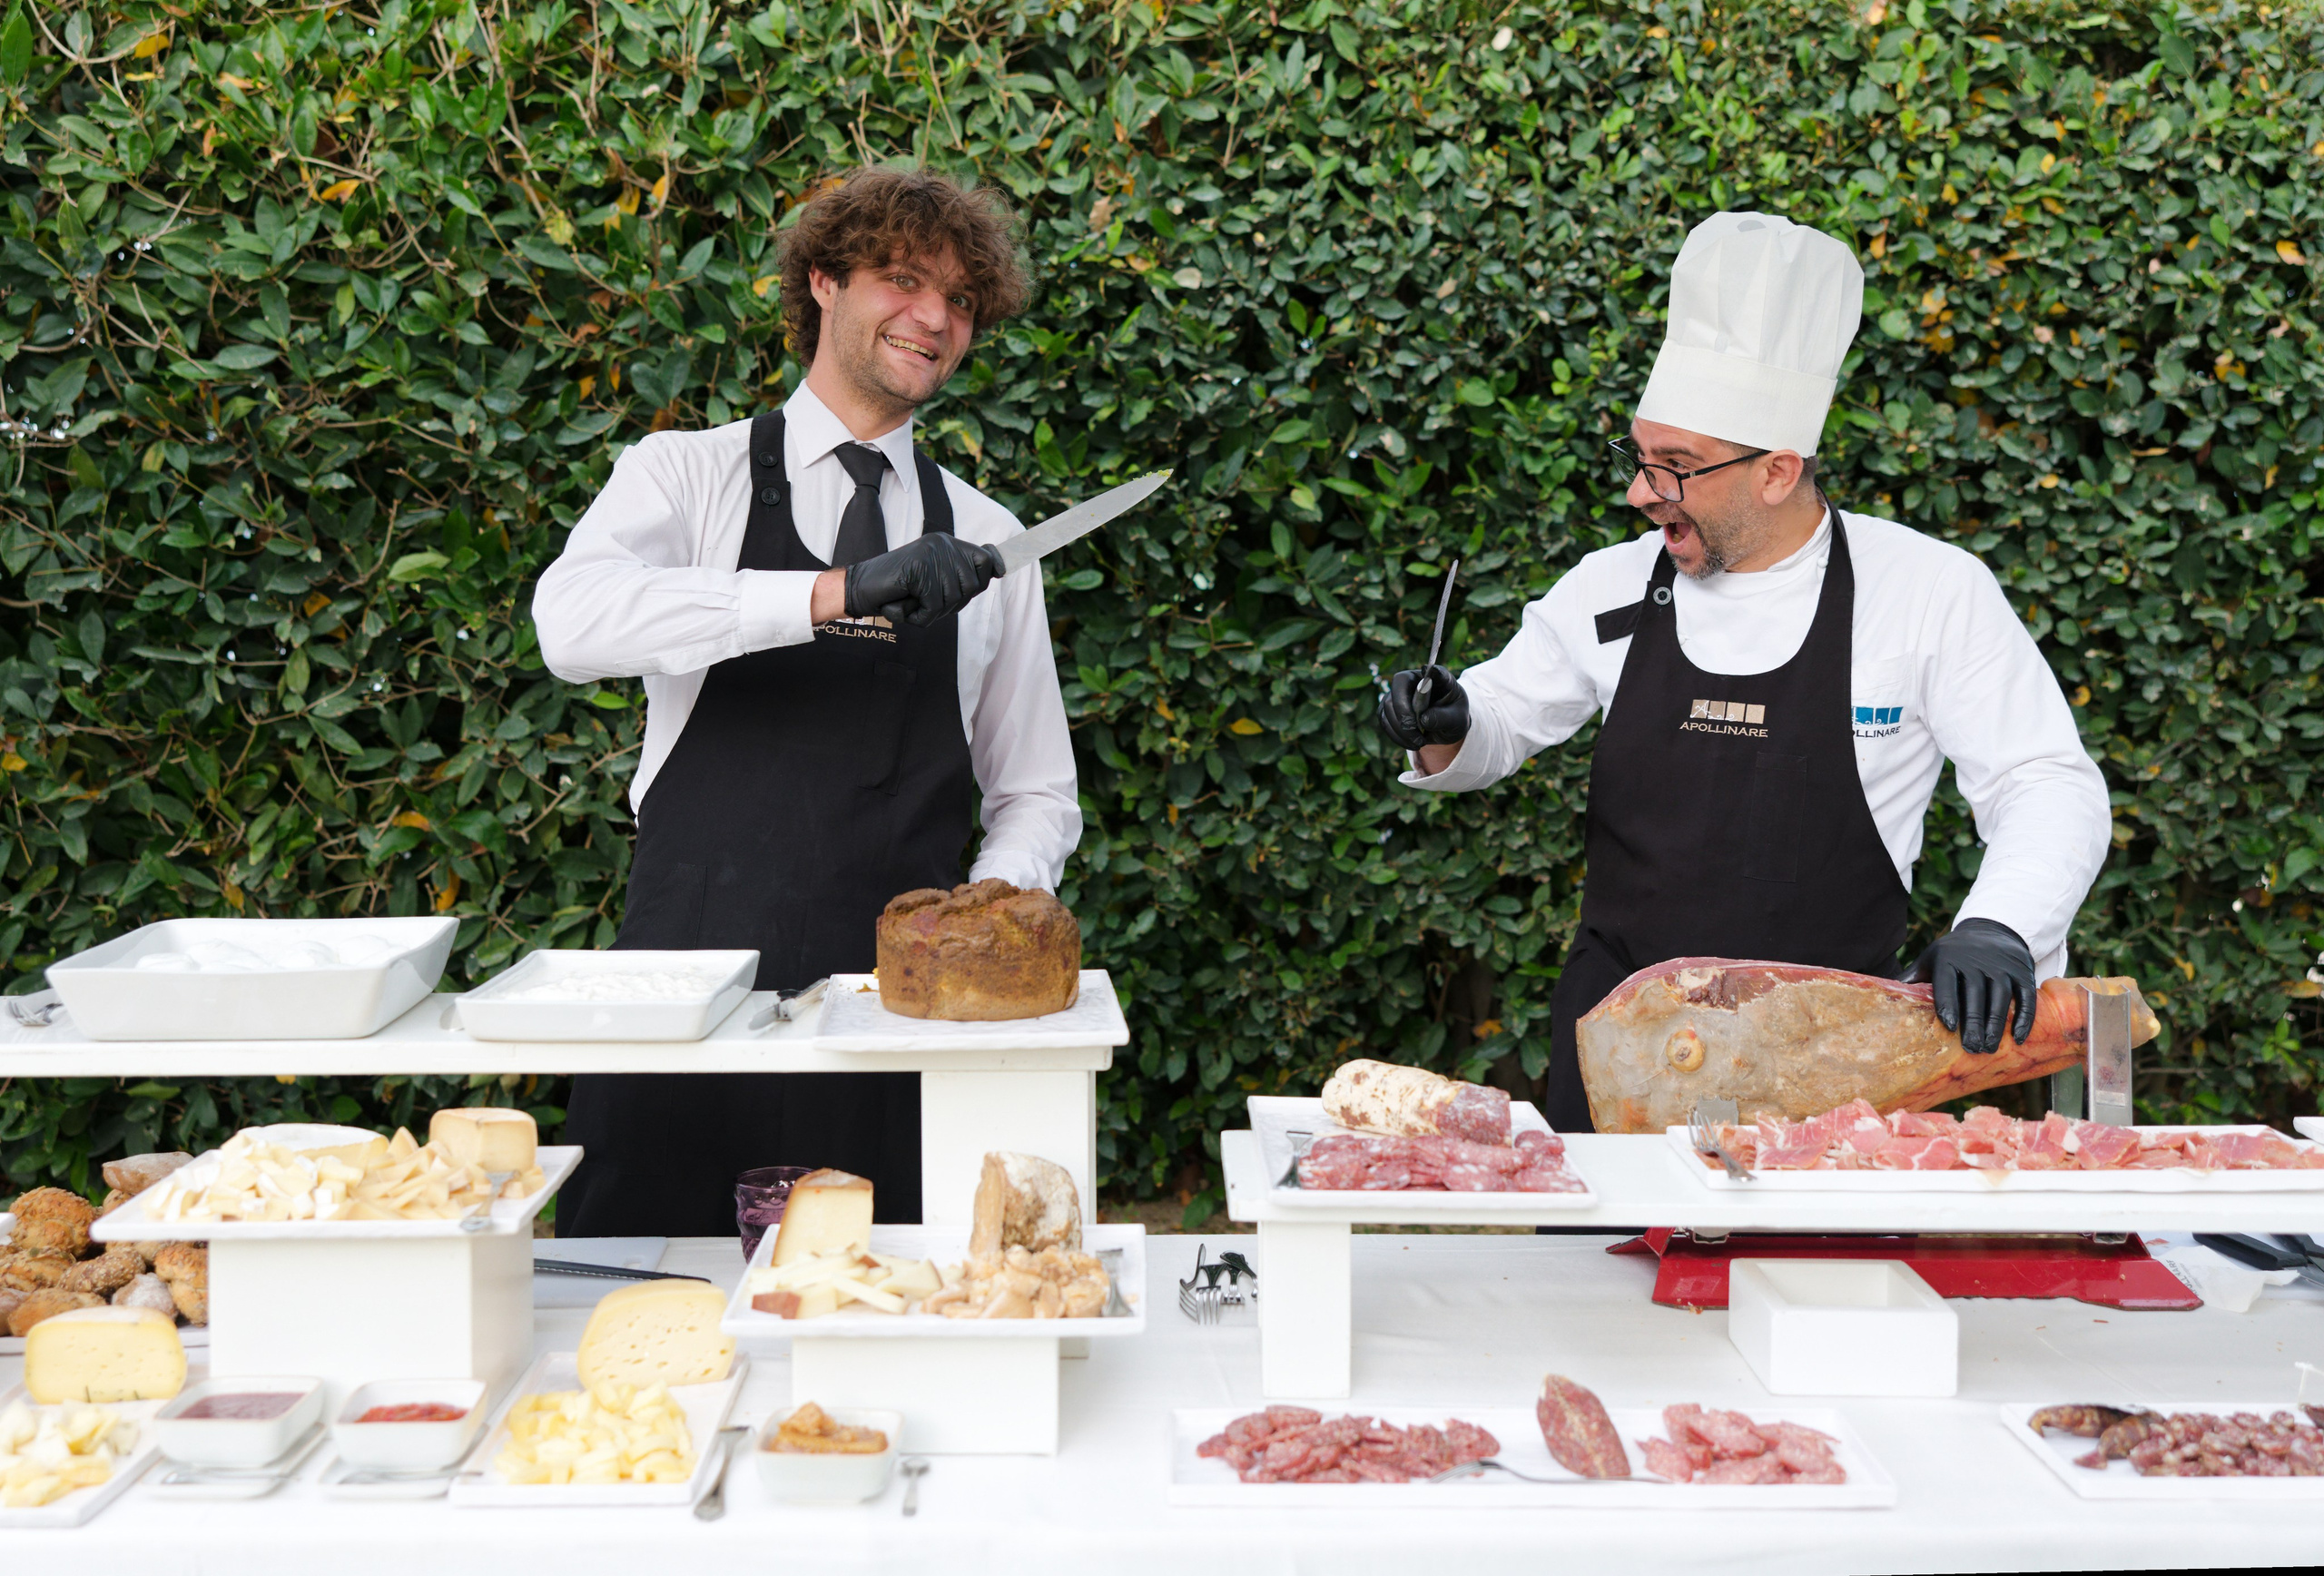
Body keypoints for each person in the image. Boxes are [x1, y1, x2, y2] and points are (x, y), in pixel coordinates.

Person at [1375, 212, 2111, 1132]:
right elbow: (1506, 711)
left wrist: (2000, 923)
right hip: (1616, 1063)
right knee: (1589, 1280)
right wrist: (1447, 717)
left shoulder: (1926, 592)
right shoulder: (1609, 586)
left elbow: (2043, 780)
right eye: (1639, 457)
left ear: (1776, 470)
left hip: (1827, 1069)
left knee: (1809, 1279)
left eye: (1674, 467)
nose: (1640, 492)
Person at [532, 167, 1079, 1233]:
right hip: (685, 1003)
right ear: (822, 281)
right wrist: (837, 590)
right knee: (644, 1317)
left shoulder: (986, 538)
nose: (935, 318)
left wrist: (982, 921)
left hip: (893, 1018)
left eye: (962, 300)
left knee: (884, 1317)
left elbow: (1035, 790)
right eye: (903, 280)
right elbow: (572, 624)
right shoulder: (684, 476)